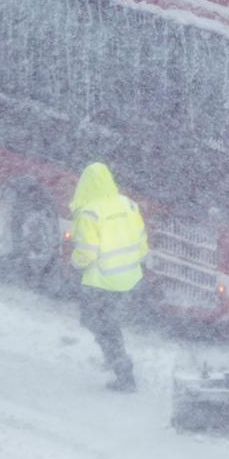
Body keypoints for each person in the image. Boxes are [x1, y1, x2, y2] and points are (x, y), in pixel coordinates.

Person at [69, 162, 148, 392]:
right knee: (107, 322)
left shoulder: (90, 213)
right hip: (131, 277)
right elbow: (142, 244)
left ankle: (123, 373)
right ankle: (113, 357)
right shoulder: (129, 205)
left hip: (102, 281)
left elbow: (87, 254)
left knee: (98, 323)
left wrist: (74, 262)